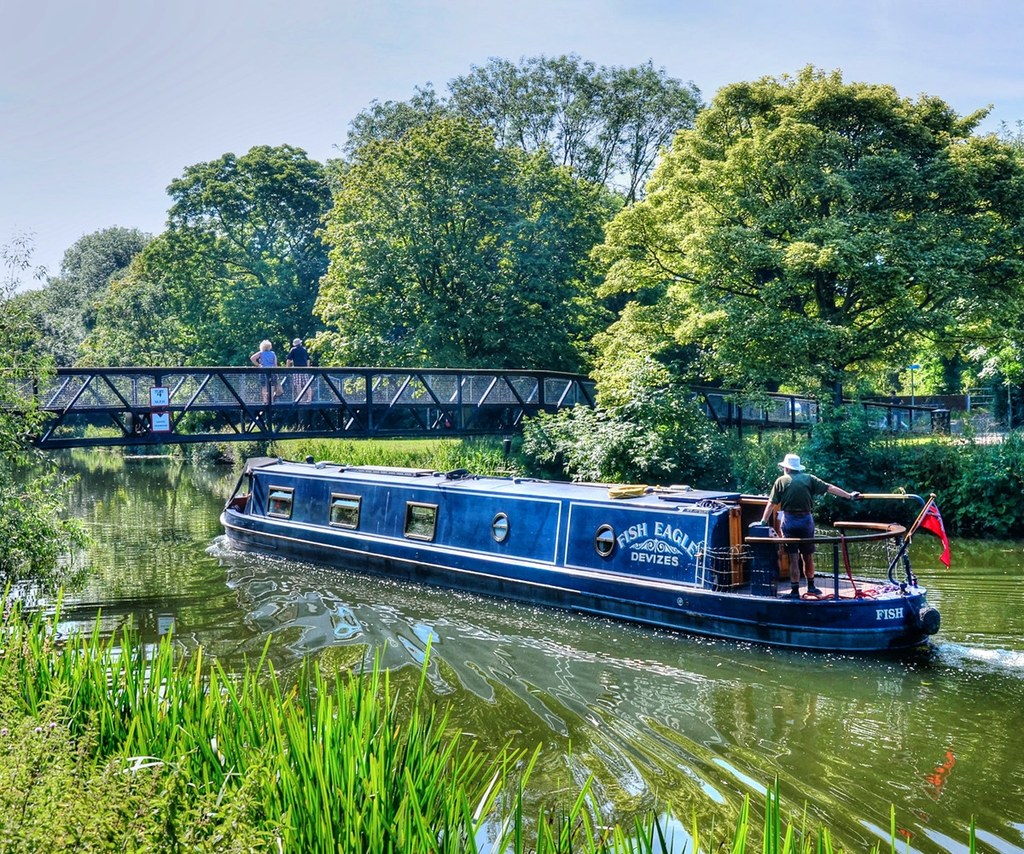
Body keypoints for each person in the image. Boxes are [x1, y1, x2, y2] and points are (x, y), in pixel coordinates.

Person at [759, 453, 861, 598]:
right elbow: (829, 488)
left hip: (789, 521)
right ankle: (812, 587)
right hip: (806, 521)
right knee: (808, 556)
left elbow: (771, 504)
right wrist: (849, 496)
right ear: (798, 468)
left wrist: (763, 521)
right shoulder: (809, 479)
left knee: (794, 558)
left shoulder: (780, 481)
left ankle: (794, 591)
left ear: (786, 468)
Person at [286, 337, 311, 402]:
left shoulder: (293, 350)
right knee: (307, 384)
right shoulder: (304, 349)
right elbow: (308, 359)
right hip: (304, 369)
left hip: (296, 369)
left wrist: (287, 368)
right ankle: (309, 398)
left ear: (294, 344)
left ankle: (300, 399)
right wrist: (308, 367)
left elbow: (288, 359)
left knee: (298, 384)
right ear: (300, 343)